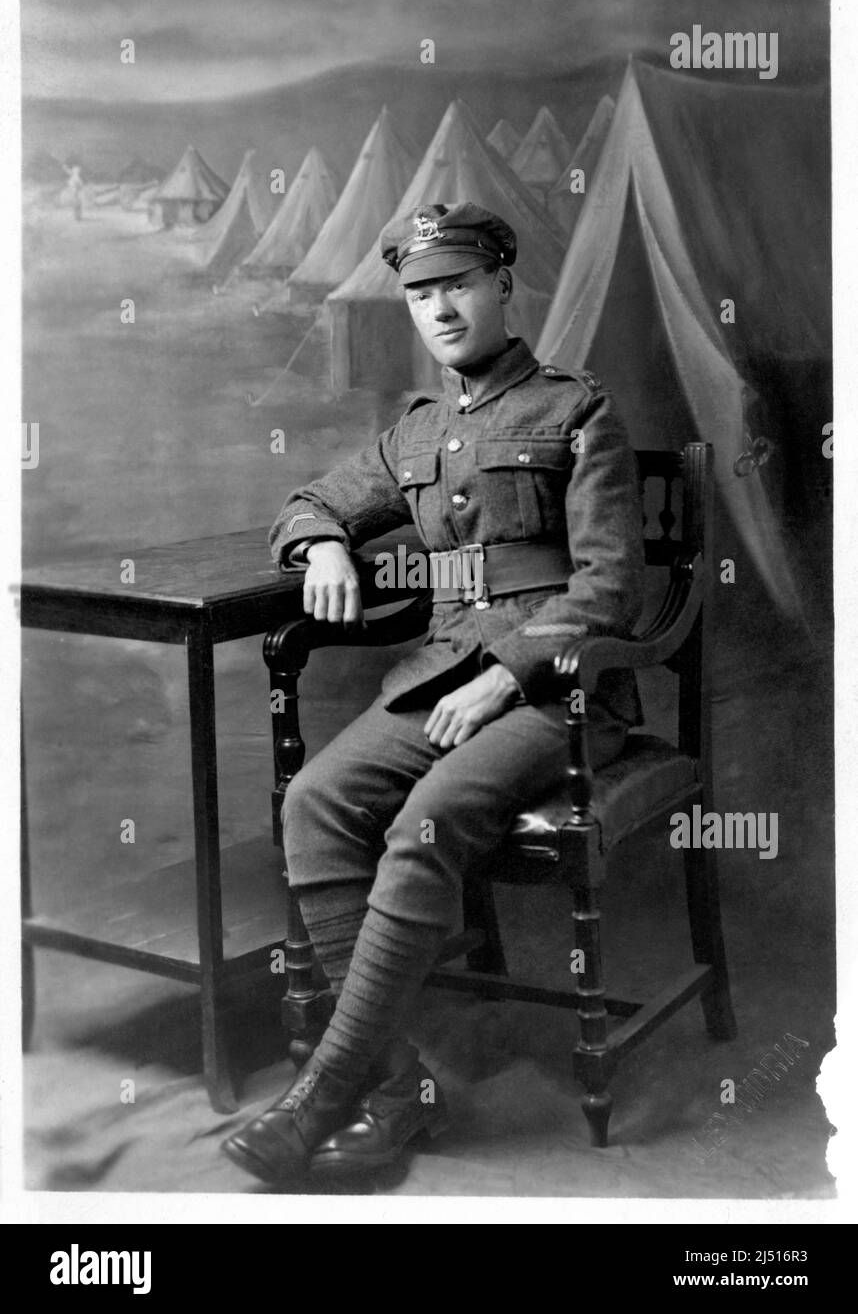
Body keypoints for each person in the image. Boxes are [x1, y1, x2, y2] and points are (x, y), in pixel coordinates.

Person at [222, 202, 645, 1187]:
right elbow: (308, 500)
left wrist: (507, 675)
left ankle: (325, 1090)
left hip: (556, 695)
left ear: (504, 284)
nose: (440, 307)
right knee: (316, 799)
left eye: (457, 283)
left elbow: (611, 583)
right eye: (420, 292)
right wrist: (323, 541)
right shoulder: (415, 433)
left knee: (424, 823)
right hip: (436, 681)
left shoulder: (579, 412)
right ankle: (396, 1079)